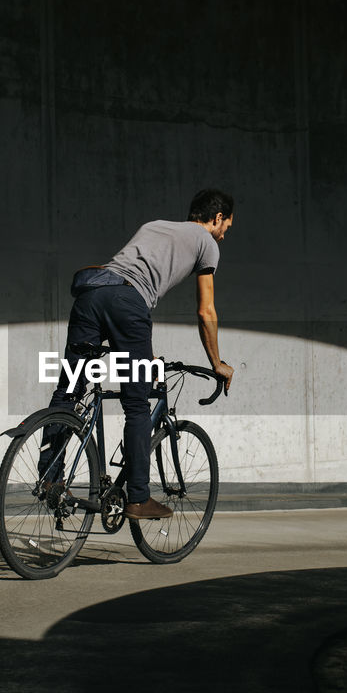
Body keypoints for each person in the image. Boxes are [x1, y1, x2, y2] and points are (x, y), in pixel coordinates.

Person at [41, 189, 236, 520]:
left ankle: (51, 479)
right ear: (217, 218)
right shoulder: (207, 244)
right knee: (137, 405)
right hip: (128, 304)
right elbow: (206, 311)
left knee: (70, 389)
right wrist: (216, 362)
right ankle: (139, 498)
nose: (225, 233)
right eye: (227, 226)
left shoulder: (156, 225)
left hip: (90, 298)